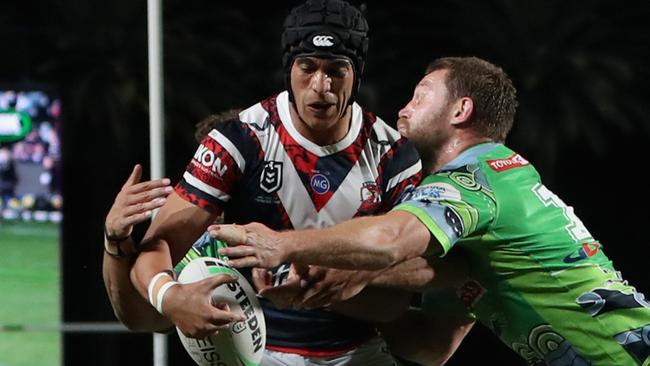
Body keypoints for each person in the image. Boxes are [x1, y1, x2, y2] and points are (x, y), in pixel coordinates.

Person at [212, 56, 650, 365]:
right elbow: (431, 344)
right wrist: (326, 296)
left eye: (420, 97)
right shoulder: (471, 222)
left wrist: (280, 243)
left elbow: (388, 241)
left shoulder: (473, 180)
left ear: (461, 110)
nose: (402, 111)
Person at [104, 1, 431, 364]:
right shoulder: (241, 139)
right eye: (307, 67)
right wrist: (169, 296)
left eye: (337, 70)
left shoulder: (394, 155)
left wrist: (352, 274)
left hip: (360, 353)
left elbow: (422, 267)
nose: (321, 85)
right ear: (289, 69)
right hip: (261, 354)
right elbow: (159, 245)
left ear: (357, 74)